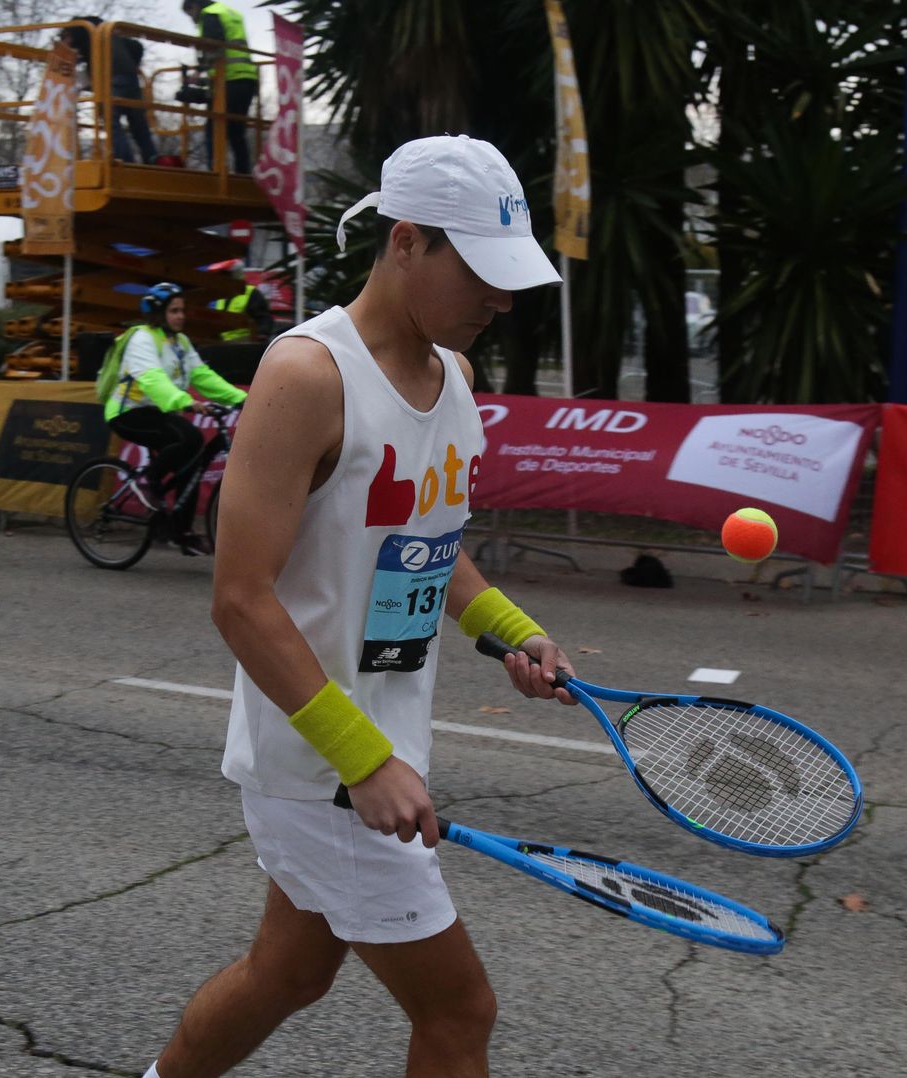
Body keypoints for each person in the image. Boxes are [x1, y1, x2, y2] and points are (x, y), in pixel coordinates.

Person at [138, 135, 568, 1078]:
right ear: (406, 241)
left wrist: (513, 632)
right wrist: (362, 760)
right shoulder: (308, 375)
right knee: (459, 1012)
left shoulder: (455, 377)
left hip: (381, 747)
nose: (501, 301)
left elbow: (425, 545)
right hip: (325, 762)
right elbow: (239, 598)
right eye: (481, 274)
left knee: (286, 975)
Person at [105, 282, 247, 554]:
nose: (181, 316)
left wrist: (241, 398)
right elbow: (152, 379)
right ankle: (150, 483)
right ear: (159, 314)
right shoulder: (142, 338)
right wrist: (186, 402)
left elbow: (202, 376)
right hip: (129, 412)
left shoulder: (180, 342)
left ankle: (182, 532)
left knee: (192, 463)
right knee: (191, 438)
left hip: (160, 411)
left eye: (182, 310)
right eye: (174, 311)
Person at [60, 16, 158, 164]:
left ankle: (125, 161)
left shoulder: (83, 31)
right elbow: (136, 46)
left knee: (111, 123)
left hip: (112, 78)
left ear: (69, 34)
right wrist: (132, 65)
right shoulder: (108, 33)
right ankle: (152, 158)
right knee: (139, 125)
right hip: (131, 78)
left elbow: (75, 52)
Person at [180, 0, 258, 173]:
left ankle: (215, 174)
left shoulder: (210, 15)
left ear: (194, 6)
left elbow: (215, 47)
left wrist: (199, 71)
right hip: (246, 77)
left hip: (229, 80)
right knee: (237, 132)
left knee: (214, 130)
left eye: (190, 14)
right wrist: (203, 79)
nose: (192, 20)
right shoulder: (229, 12)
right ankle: (243, 175)